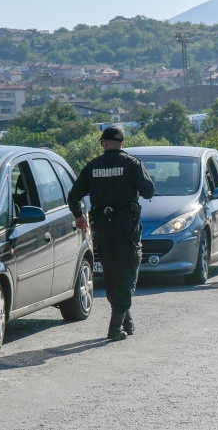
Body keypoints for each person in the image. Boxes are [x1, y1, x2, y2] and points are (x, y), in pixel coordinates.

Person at [68, 127, 154, 341]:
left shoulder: (92, 166)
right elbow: (149, 191)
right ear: (122, 143)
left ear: (104, 143)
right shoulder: (133, 164)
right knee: (127, 275)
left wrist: (79, 216)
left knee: (112, 275)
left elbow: (73, 196)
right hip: (127, 230)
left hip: (103, 229)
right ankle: (115, 327)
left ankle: (126, 319)